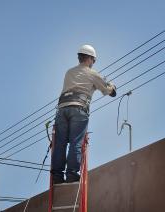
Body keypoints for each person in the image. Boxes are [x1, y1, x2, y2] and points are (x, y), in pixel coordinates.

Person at [51, 44, 116, 184]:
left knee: (60, 143)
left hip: (62, 109)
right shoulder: (92, 74)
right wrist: (112, 86)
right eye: (94, 60)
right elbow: (109, 91)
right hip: (78, 109)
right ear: (90, 58)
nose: (93, 63)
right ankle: (72, 175)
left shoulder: (69, 72)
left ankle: (56, 176)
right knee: (76, 142)